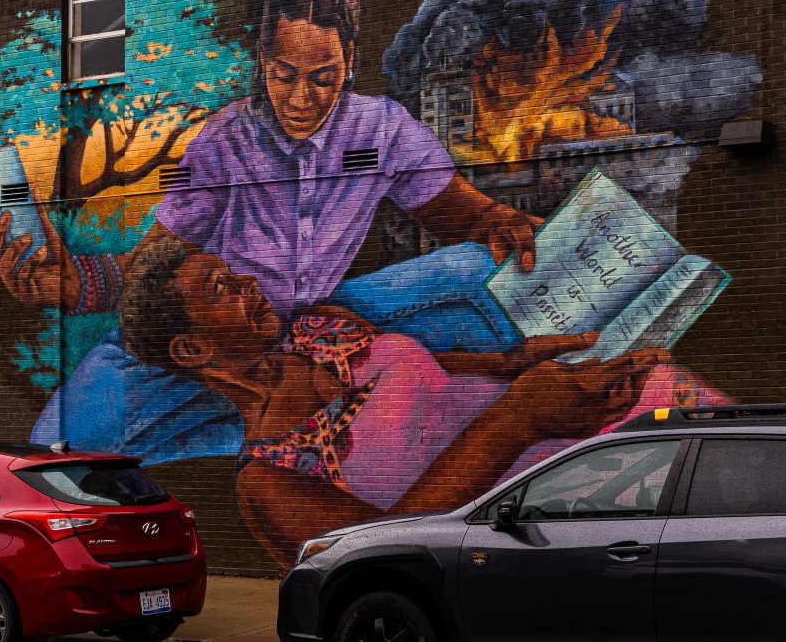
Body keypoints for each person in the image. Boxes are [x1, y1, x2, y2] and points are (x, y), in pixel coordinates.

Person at [0, 0, 540, 348]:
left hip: (329, 316)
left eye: (324, 78)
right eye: (283, 77)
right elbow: (158, 263)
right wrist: (79, 283)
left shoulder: (382, 129)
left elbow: (461, 213)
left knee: (478, 270)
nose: (301, 101)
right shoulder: (226, 143)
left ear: (349, 57)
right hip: (231, 332)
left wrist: (500, 219)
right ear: (262, 60)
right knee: (73, 418)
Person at [118, 235, 670, 566]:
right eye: (222, 289)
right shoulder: (270, 479)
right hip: (558, 516)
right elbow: (386, 554)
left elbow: (429, 367)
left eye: (234, 274)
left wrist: (512, 361)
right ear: (191, 348)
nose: (247, 285)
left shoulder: (321, 329)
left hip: (596, 420)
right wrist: (517, 419)